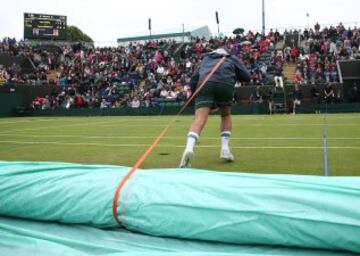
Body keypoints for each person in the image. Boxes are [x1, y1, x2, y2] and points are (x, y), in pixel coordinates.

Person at [179, 48, 250, 168]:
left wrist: (194, 93)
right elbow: (246, 76)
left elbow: (194, 79)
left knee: (199, 118)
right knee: (225, 115)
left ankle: (189, 148)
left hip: (205, 83)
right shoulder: (231, 57)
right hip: (225, 84)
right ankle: (225, 149)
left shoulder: (206, 58)